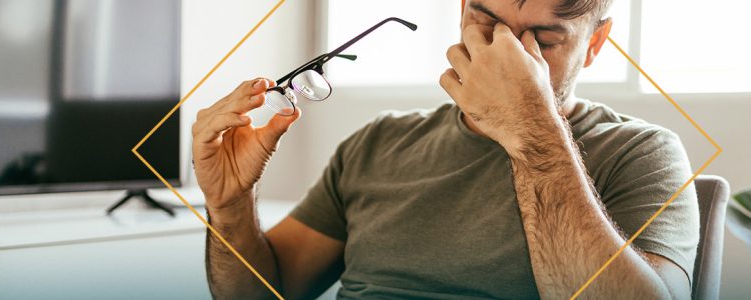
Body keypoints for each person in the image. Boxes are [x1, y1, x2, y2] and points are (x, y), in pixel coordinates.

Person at [192, 0, 699, 299]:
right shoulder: (378, 144)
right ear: (461, 11)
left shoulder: (642, 153)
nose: (506, 56)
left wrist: (531, 131)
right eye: (486, 23)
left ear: (595, 42)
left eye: (543, 39)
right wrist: (231, 205)